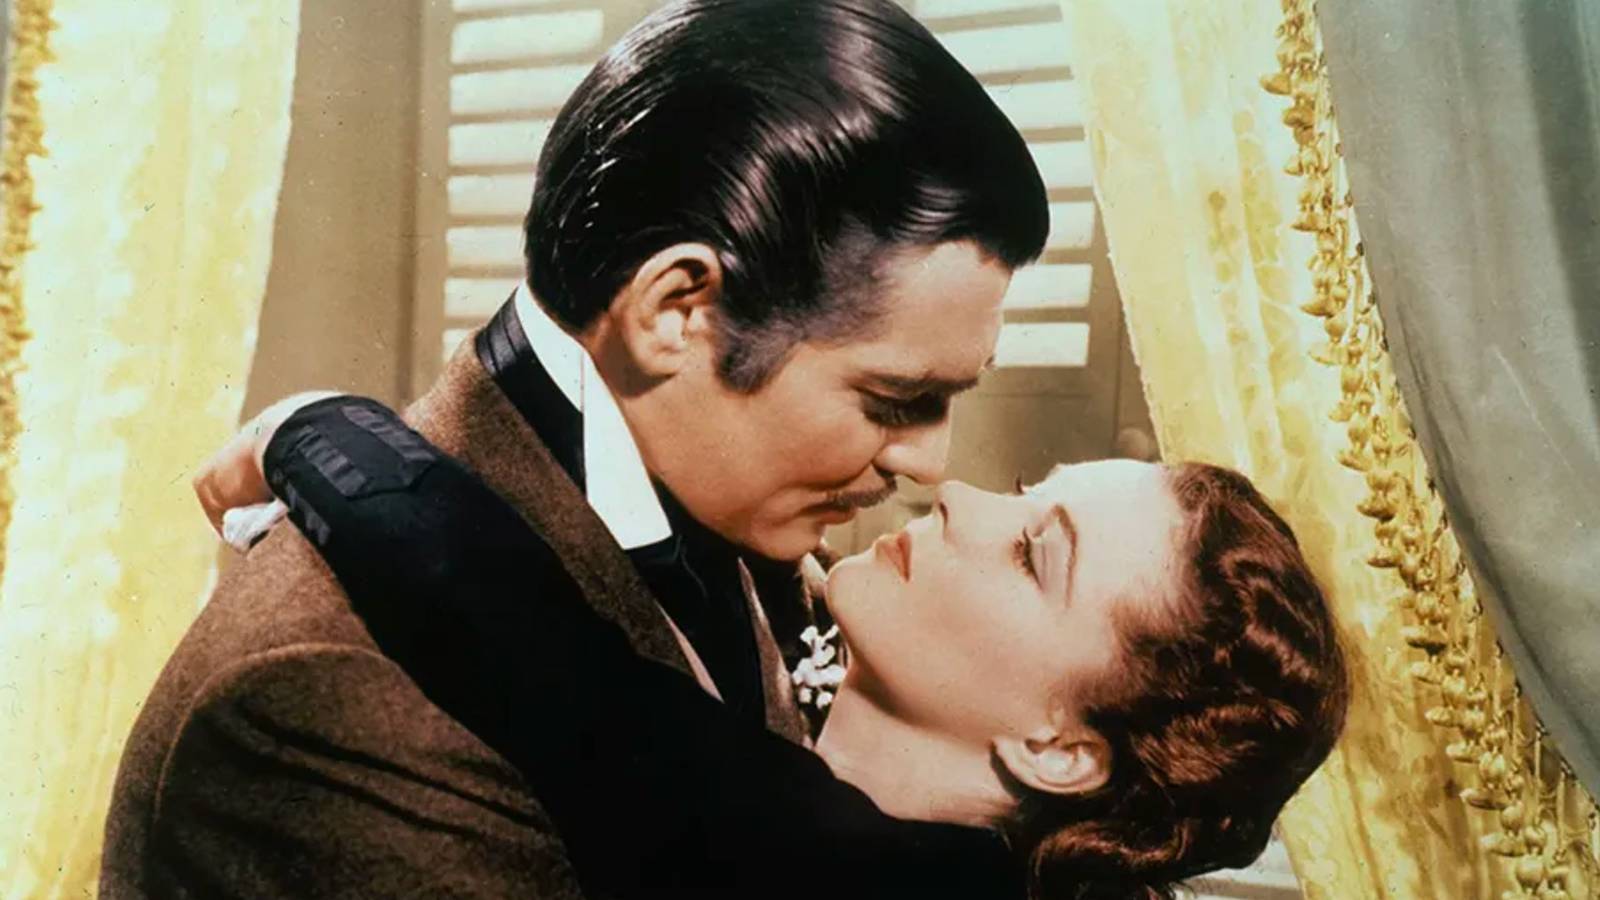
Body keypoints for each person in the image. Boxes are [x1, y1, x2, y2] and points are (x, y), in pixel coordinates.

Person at [99, 1, 1050, 897]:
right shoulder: (336, 700)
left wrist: (317, 436)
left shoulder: (748, 527)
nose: (930, 466)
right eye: (896, 400)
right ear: (676, 311)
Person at [198, 394, 1350, 900]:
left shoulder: (895, 883)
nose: (958, 499)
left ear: (1057, 750)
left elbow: (527, 639)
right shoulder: (806, 683)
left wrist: (308, 428)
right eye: (1020, 489)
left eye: (1032, 553)